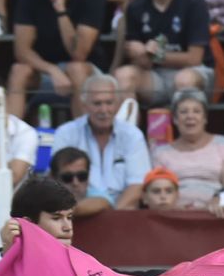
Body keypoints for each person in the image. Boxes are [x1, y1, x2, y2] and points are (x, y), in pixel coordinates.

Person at [4, 0, 104, 121]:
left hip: (86, 73)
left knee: (76, 69)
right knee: (19, 70)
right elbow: (22, 51)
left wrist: (61, 10)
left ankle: (83, 141)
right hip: (45, 71)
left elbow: (78, 53)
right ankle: (11, 138)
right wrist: (52, 70)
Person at [113, 0, 213, 108]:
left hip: (196, 73)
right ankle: (130, 133)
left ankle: (186, 134)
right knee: (123, 75)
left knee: (184, 79)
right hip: (155, 76)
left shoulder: (194, 2)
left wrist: (156, 55)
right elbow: (142, 63)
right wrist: (140, 55)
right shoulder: (136, 7)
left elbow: (194, 58)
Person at [48, 74, 149, 205]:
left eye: (109, 103)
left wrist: (111, 216)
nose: (104, 110)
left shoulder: (133, 135)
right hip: (78, 211)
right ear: (84, 105)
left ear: (118, 104)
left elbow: (137, 184)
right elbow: (58, 179)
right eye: (97, 103)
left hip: (122, 212)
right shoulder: (66, 133)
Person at [147, 88, 224, 209]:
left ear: (205, 118)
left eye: (196, 111)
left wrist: (220, 200)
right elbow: (157, 190)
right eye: (183, 112)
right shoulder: (161, 153)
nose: (190, 116)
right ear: (174, 119)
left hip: (216, 213)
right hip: (174, 215)